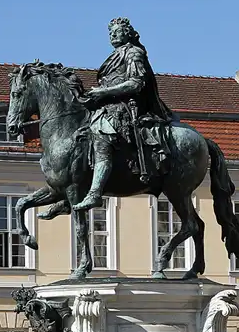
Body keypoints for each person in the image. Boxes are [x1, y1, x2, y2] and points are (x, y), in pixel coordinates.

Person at [73, 17, 174, 211]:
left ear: (127, 33)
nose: (112, 35)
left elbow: (136, 83)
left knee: (102, 134)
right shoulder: (115, 55)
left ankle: (95, 193)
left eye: (117, 31)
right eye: (110, 33)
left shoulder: (134, 53)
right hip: (107, 104)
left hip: (126, 107)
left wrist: (103, 92)